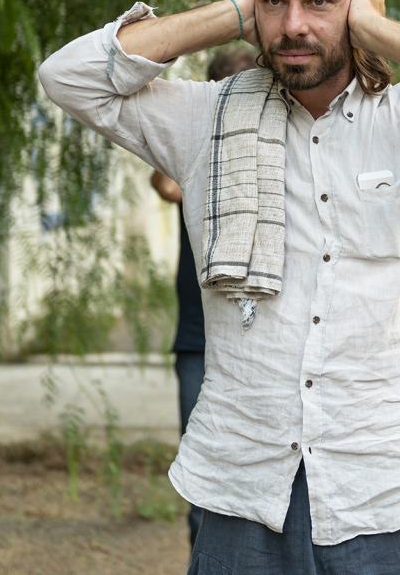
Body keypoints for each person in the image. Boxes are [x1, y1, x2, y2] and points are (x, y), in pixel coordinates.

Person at [39, 0, 400, 573]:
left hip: (388, 487)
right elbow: (68, 76)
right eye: (274, 1)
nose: (294, 25)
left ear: (357, 4)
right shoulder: (201, 120)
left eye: (320, 1)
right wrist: (229, 11)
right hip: (244, 487)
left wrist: (370, 25)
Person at [148, 43, 256, 551]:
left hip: (262, 339)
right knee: (202, 477)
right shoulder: (194, 149)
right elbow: (164, 182)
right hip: (199, 340)